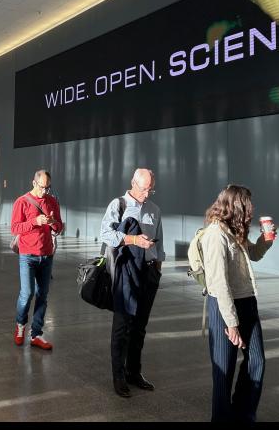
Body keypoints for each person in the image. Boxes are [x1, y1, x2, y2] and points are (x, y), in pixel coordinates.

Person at [200, 184, 274, 421]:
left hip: (246, 303)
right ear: (236, 206)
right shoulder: (215, 235)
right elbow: (219, 284)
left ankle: (243, 415)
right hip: (224, 308)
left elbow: (253, 253)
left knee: (257, 362)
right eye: (247, 206)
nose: (251, 211)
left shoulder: (235, 230)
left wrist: (266, 240)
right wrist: (231, 324)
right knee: (224, 371)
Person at [100, 168, 164, 397]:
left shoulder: (154, 210)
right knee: (122, 327)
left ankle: (133, 372)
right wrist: (133, 239)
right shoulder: (118, 205)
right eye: (144, 188)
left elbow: (160, 243)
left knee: (140, 328)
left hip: (148, 273)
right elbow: (105, 235)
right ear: (133, 183)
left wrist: (157, 267)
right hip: (126, 272)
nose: (147, 194)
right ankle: (118, 376)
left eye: (150, 189)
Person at [11, 169, 63, 350]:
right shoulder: (22, 201)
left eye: (48, 188)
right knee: (27, 294)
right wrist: (35, 221)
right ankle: (20, 325)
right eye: (42, 187)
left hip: (47, 254)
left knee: (43, 295)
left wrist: (52, 223)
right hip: (27, 255)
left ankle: (36, 333)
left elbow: (59, 227)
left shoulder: (52, 201)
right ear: (34, 183)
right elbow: (15, 227)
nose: (45, 191)